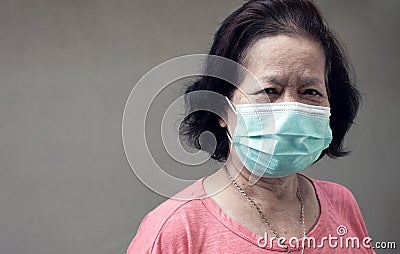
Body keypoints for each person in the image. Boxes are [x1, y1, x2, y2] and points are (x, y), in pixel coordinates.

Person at [127, 0, 374, 253]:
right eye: (269, 91)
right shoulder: (176, 231)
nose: (290, 111)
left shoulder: (341, 204)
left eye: (310, 91)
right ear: (221, 108)